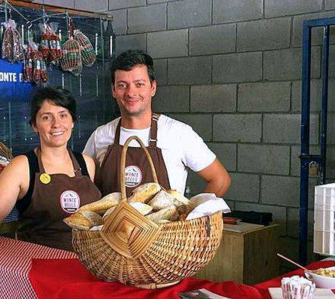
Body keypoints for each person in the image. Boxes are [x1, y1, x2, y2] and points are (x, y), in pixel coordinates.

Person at [0, 87, 101, 270]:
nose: (56, 124)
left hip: (89, 266)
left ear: (72, 122)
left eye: (63, 115)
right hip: (41, 268)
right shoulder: (21, 167)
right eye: (46, 117)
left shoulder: (87, 164)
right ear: (34, 125)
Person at [84, 50, 231, 198]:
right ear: (113, 90)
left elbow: (220, 180)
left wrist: (190, 215)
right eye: (122, 85)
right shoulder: (100, 136)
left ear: (152, 87)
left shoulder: (178, 133)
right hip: (113, 222)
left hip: (164, 222)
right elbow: (80, 183)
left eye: (139, 84)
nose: (131, 92)